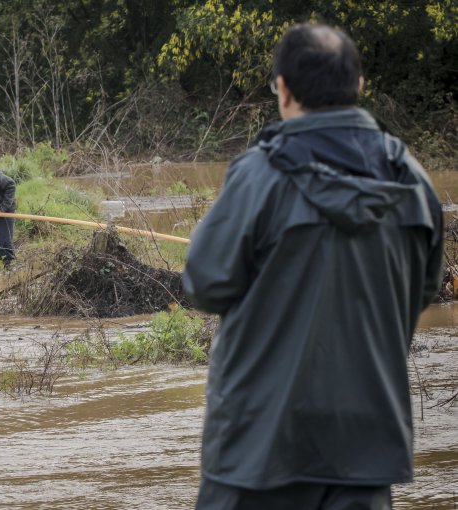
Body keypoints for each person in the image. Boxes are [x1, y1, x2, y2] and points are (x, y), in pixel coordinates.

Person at [183, 23, 443, 508]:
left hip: (257, 451)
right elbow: (422, 289)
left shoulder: (258, 175)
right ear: (359, 87)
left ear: (282, 88)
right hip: (366, 450)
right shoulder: (414, 181)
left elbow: (204, 283)